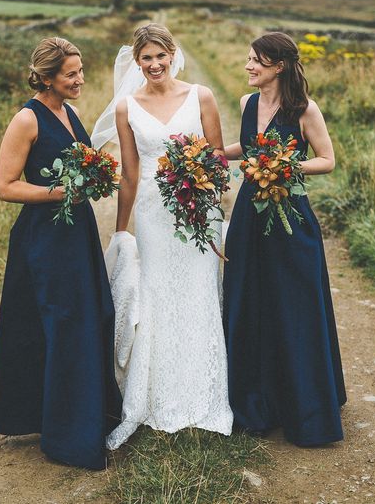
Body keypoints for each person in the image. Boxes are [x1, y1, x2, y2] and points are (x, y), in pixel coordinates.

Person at [91, 23, 233, 449]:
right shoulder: (127, 108)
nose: (154, 64)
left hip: (196, 213)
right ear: (137, 62)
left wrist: (208, 194)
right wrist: (121, 228)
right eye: (145, 58)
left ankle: (204, 394)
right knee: (158, 295)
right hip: (154, 214)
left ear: (173, 54)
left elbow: (218, 160)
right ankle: (155, 397)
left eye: (160, 56)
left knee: (199, 291)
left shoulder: (200, 96)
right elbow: (131, 174)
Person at [0, 37, 121, 470]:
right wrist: (62, 190)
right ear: (47, 77)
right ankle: (67, 434)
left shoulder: (73, 112)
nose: (80, 79)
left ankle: (86, 416)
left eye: (81, 71)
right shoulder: (26, 119)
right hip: (44, 237)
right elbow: (6, 186)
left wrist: (97, 179)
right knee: (63, 323)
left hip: (77, 233)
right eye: (71, 74)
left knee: (89, 316)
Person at [223, 32, 346, 447]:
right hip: (248, 217)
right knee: (250, 300)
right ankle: (256, 402)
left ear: (278, 66)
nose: (248, 66)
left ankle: (305, 405)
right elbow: (247, 146)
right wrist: (210, 153)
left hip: (290, 214)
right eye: (249, 59)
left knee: (294, 304)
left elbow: (327, 160)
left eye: (255, 60)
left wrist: (285, 167)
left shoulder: (304, 109)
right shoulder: (247, 103)